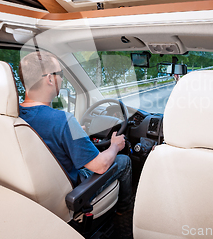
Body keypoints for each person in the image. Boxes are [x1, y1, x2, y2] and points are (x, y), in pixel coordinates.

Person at [18, 51, 132, 213]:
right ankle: (124, 215)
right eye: (61, 74)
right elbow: (100, 166)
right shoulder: (62, 120)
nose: (62, 79)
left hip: (35, 193)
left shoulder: (14, 115)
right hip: (71, 193)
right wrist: (114, 145)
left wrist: (73, 132)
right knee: (124, 161)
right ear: (50, 78)